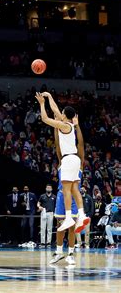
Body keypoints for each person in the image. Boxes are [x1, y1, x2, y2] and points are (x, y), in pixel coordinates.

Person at [36, 92, 89, 233]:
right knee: (73, 189)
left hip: (68, 159)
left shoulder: (65, 126)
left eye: (62, 112)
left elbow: (45, 118)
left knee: (66, 189)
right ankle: (82, 215)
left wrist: (42, 104)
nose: (60, 113)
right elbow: (55, 110)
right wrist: (49, 97)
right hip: (74, 160)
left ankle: (68, 217)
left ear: (64, 115)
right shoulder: (68, 124)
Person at [50, 112, 84, 265]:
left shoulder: (79, 162)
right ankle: (58, 252)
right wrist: (56, 127)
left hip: (73, 197)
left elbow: (81, 145)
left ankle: (70, 253)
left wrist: (77, 127)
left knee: (71, 227)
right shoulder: (62, 160)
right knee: (60, 226)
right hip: (61, 196)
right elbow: (58, 144)